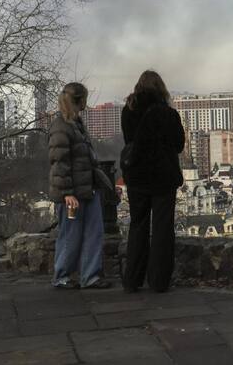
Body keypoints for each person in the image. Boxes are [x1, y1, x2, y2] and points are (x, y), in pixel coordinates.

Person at [121, 70, 185, 293]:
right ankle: (158, 281)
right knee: (162, 228)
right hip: (162, 176)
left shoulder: (127, 111)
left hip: (136, 176)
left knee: (137, 225)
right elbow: (179, 145)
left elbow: (129, 141)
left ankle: (132, 279)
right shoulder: (168, 114)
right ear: (161, 88)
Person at [48, 82, 112, 289]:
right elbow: (59, 162)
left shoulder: (74, 123)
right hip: (73, 192)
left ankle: (90, 276)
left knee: (94, 232)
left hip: (86, 188)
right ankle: (62, 276)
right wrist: (67, 193)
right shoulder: (62, 126)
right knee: (70, 236)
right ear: (80, 100)